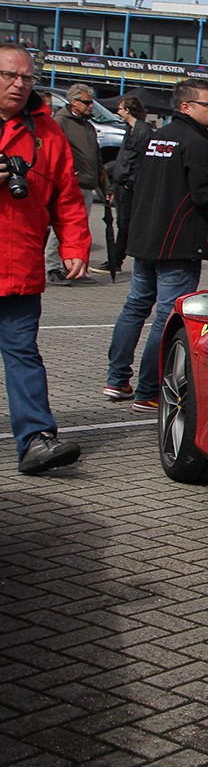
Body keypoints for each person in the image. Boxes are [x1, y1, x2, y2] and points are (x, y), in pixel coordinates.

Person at [106, 77, 208, 408]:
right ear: (186, 106)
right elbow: (206, 194)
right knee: (167, 315)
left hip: (147, 237)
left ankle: (116, 379)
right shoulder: (197, 142)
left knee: (136, 305)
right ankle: (148, 389)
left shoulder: (157, 138)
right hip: (178, 244)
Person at [0, 42, 91, 473]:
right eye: (9, 76)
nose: (19, 85)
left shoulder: (47, 131)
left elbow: (68, 198)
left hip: (18, 267)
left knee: (22, 352)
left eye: (27, 78)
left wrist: (74, 246)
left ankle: (37, 439)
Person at [46, 82, 105, 279]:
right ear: (73, 102)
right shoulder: (60, 122)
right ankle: (52, 266)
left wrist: (103, 183)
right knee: (62, 226)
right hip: (71, 183)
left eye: (91, 102)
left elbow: (95, 156)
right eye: (86, 102)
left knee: (81, 228)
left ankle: (76, 267)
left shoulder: (87, 125)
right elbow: (55, 153)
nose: (90, 106)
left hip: (88, 183)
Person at [106, 95, 153, 279]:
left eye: (120, 108)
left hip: (129, 185)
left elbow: (142, 161)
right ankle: (116, 259)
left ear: (128, 110)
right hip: (121, 183)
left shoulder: (143, 131)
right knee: (122, 224)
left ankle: (116, 260)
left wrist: (129, 182)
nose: (118, 111)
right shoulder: (130, 129)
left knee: (125, 224)